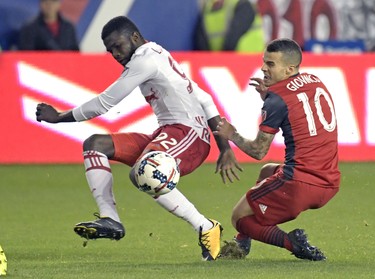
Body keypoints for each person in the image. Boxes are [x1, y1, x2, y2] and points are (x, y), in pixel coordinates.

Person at [35, 16, 242, 261]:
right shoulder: (157, 54)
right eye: (110, 50)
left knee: (144, 172)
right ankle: (110, 219)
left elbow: (104, 103)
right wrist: (224, 148)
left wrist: (59, 117)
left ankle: (205, 227)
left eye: (117, 46)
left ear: (134, 37)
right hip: (168, 132)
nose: (114, 54)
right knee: (95, 145)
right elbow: (205, 98)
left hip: (191, 136)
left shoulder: (145, 61)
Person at [215, 38, 340, 261]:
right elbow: (297, 107)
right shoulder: (314, 80)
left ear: (289, 68)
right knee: (267, 171)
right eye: (264, 62)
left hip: (298, 185)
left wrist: (231, 134)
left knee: (239, 217)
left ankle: (293, 243)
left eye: (271, 64)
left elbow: (258, 150)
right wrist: (269, 95)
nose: (263, 68)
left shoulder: (277, 100)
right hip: (329, 182)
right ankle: (242, 243)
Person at [194, 0, 265, 52]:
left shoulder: (243, 5)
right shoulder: (206, 10)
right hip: (224, 64)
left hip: (250, 61)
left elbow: (233, 38)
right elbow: (201, 45)